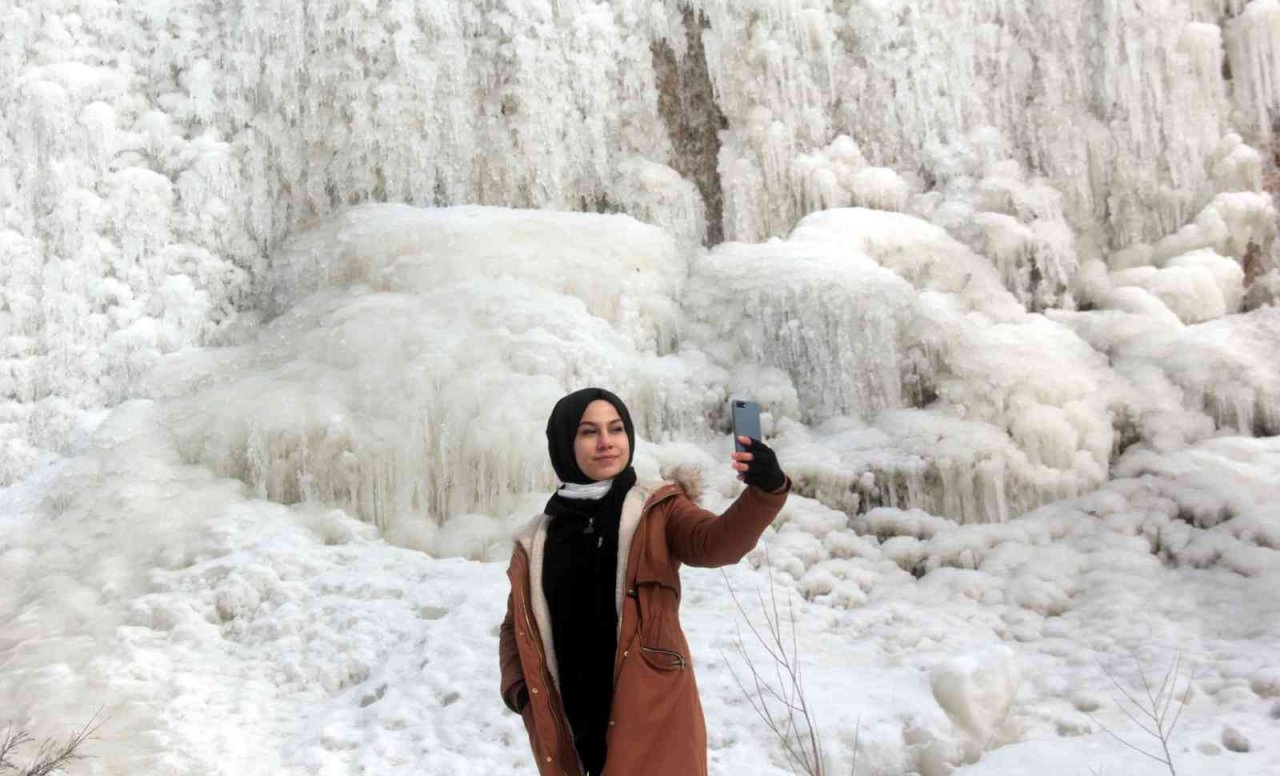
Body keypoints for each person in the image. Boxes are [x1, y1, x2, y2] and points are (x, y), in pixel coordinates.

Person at [498, 387, 791, 776]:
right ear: (564, 444)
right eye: (589, 432)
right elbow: (514, 626)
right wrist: (521, 691)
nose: (606, 442)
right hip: (570, 727)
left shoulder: (659, 508)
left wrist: (765, 490)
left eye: (616, 429)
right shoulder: (536, 540)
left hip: (651, 715)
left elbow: (717, 543)